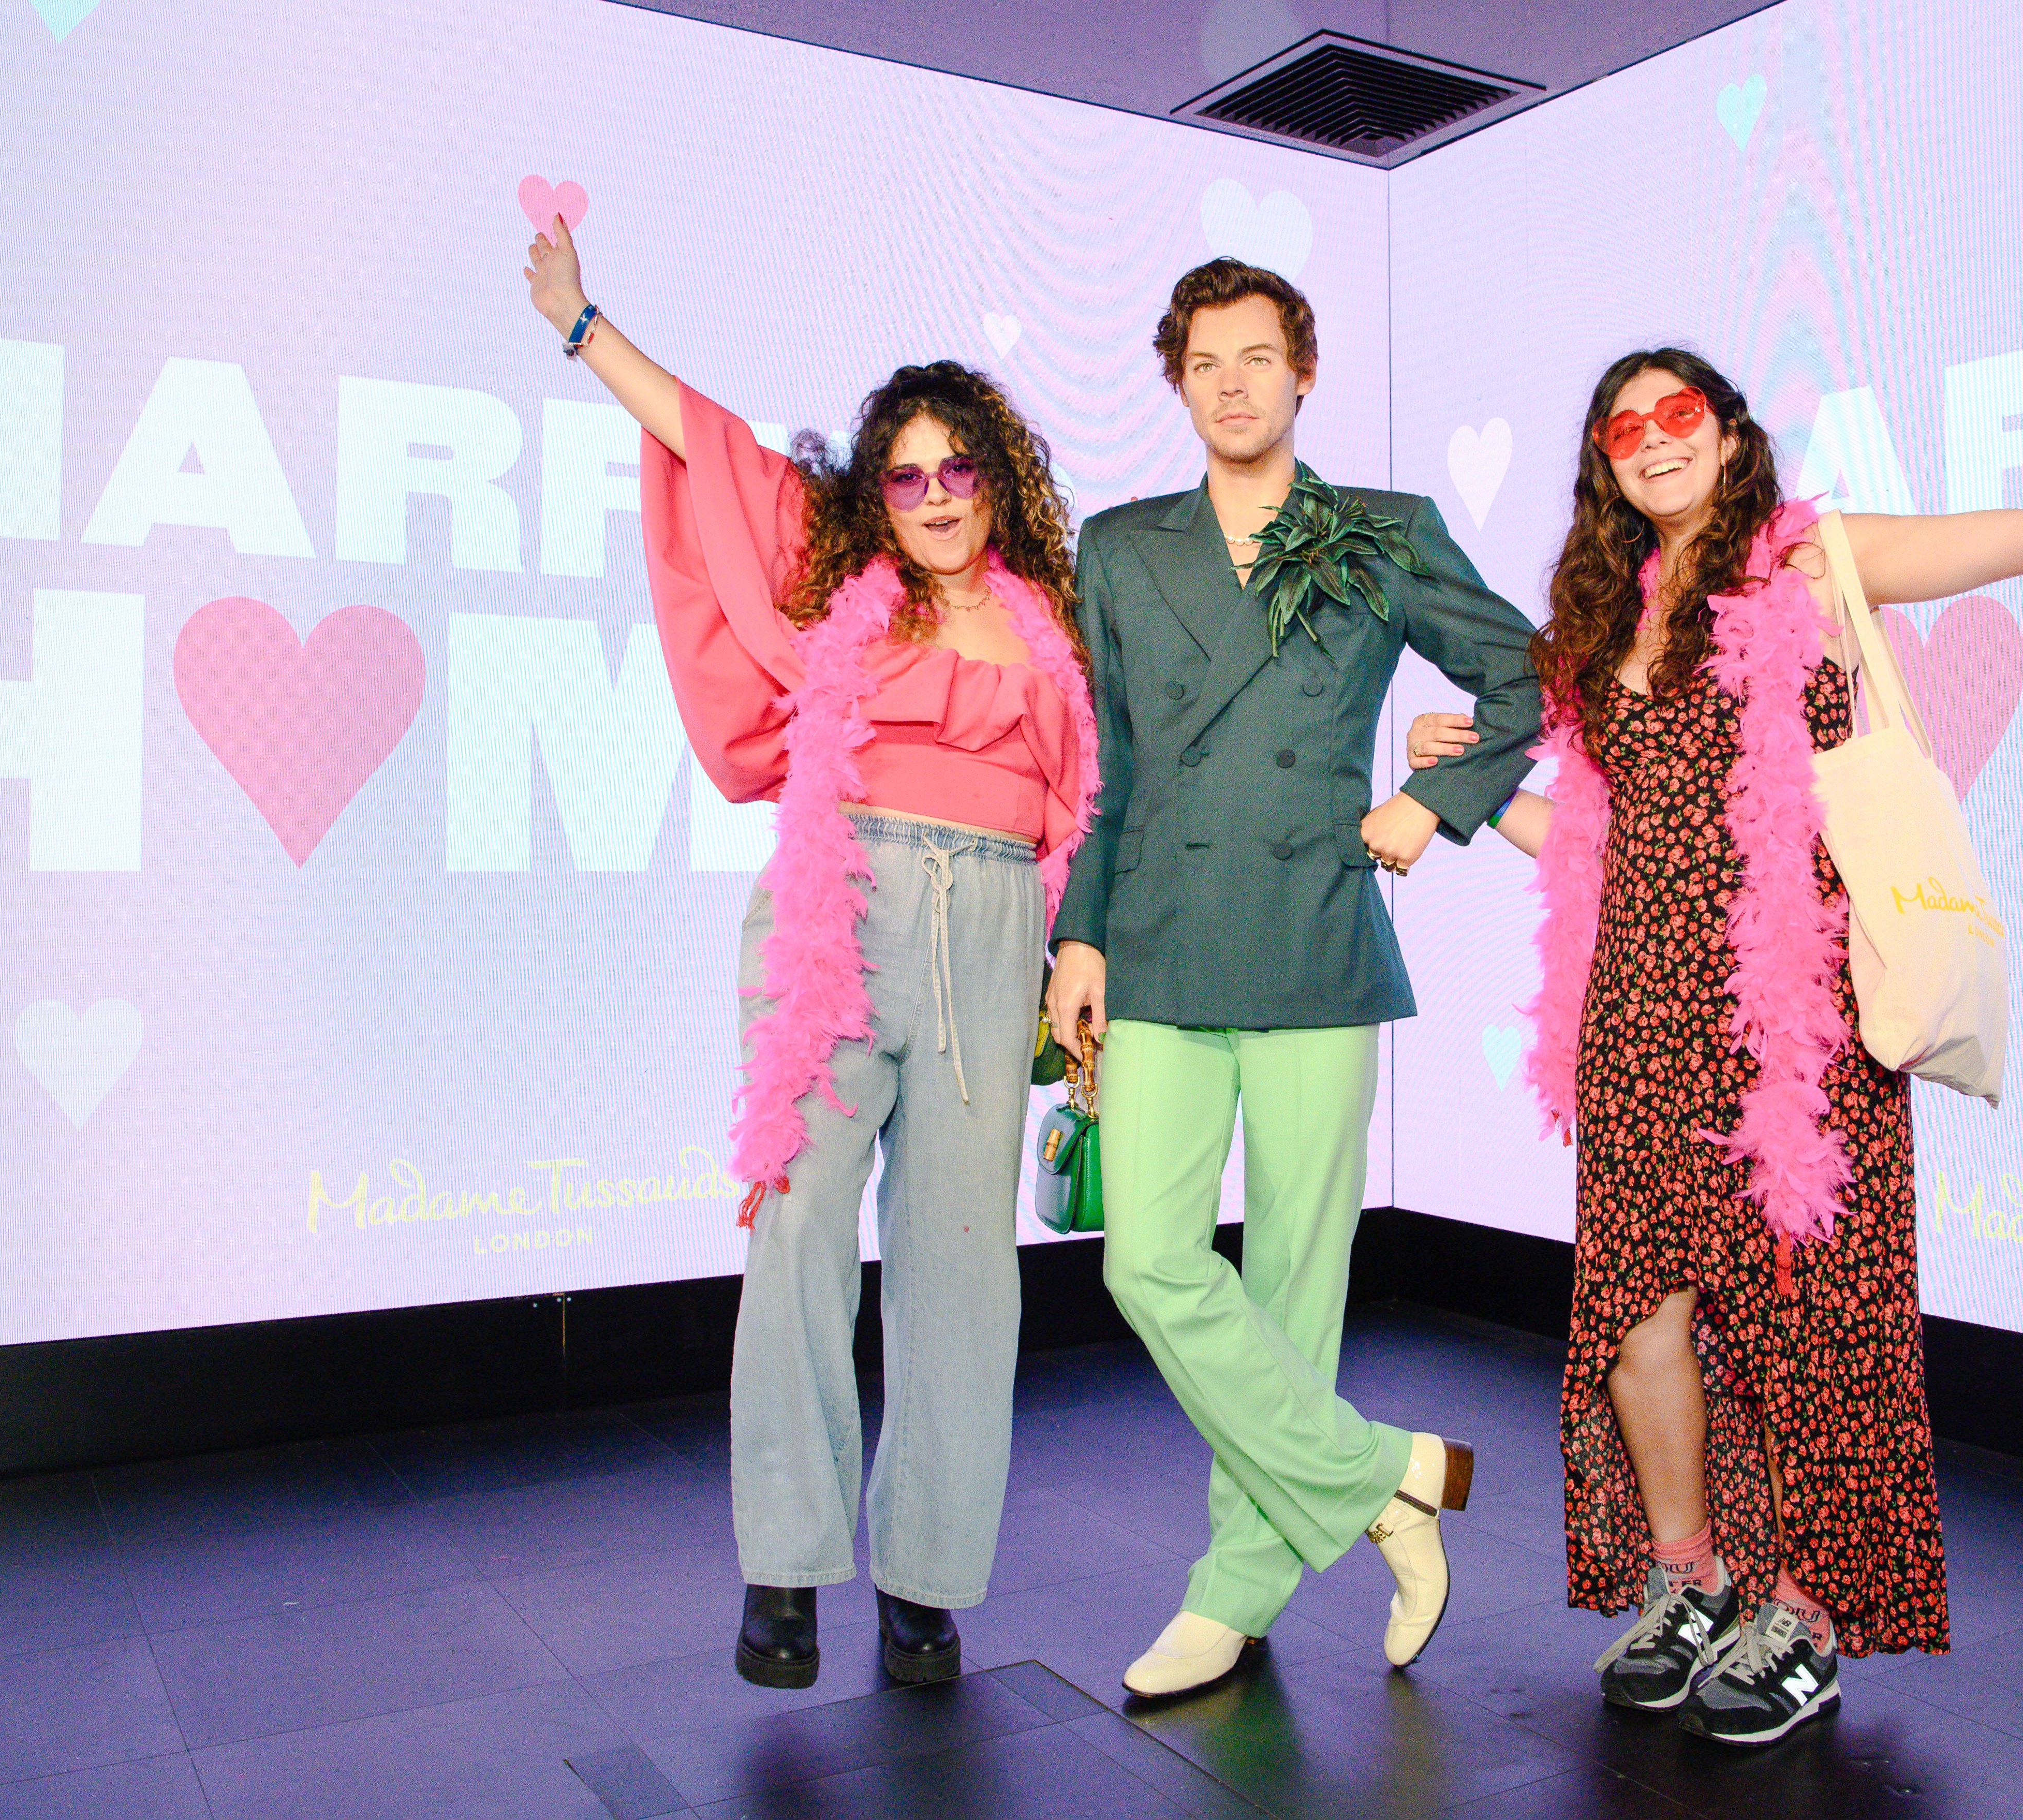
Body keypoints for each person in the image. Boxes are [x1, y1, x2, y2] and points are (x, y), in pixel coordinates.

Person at [1411, 347, 2023, 1745]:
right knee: (1639, 1322)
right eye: (1623, 428)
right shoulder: (1598, 624)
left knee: (1817, 1326)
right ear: (1602, 466)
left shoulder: (1813, 566)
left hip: (1791, 1027)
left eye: (1677, 412)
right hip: (1634, 1024)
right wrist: (1470, 783)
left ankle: (1802, 1606)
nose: (1653, 440)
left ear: (1730, 432)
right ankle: (1689, 1575)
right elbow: (1599, 847)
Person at [523, 215, 1099, 1690]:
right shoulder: (844, 593)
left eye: (953, 468)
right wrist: (585, 326)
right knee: (795, 1238)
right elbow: (704, 440)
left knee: (963, 1273)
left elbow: (1088, 808)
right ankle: (783, 1567)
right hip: (835, 917)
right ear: (875, 497)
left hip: (988, 941)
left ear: (995, 474)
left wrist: (1080, 966)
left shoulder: (1055, 630)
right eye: (900, 476)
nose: (929, 496)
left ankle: (924, 1578)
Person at [1041, 259, 1545, 1698]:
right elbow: (1110, 762)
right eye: (1206, 361)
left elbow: (1524, 675)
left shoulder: (1378, 531)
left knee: (1289, 1287)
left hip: (1318, 937)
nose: (1235, 382)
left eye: (1259, 356)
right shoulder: (1123, 545)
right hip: (1159, 936)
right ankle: (1387, 1481)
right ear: (1178, 380)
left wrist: (1434, 805)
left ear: (1303, 371)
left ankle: (1236, 1588)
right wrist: (1078, 933)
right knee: (1146, 1259)